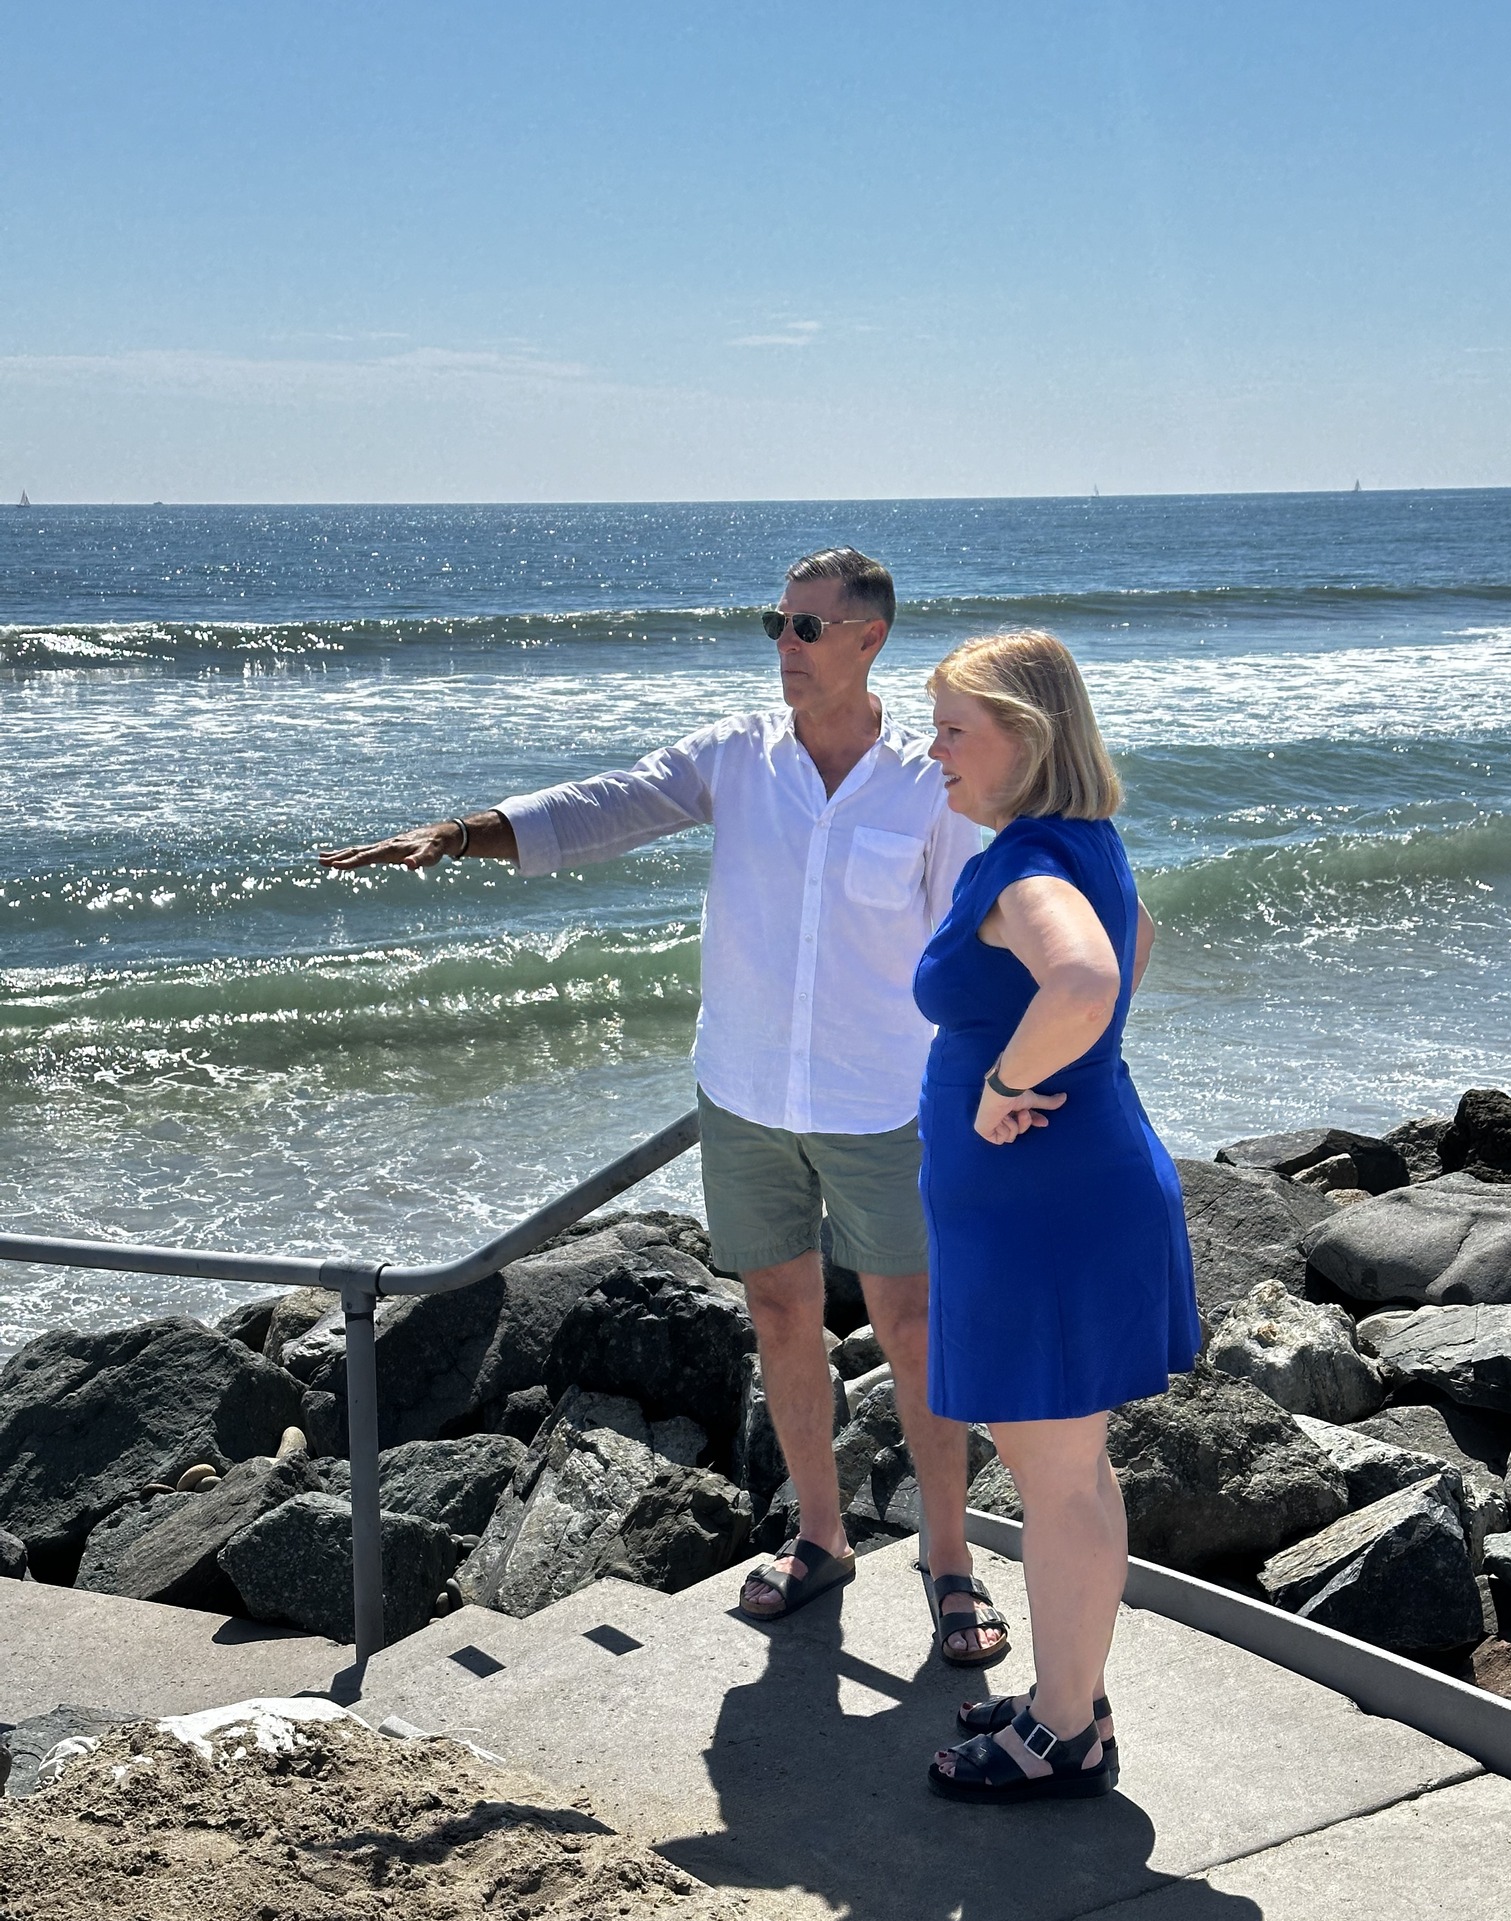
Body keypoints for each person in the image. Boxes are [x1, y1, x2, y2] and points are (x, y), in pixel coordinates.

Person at [319, 548, 1011, 1663]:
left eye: (805, 628)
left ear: (869, 638)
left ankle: (949, 1560)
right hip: (742, 1094)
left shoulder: (931, 783)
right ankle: (822, 1538)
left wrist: (1011, 1080)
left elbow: (973, 938)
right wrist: (462, 832)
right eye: (774, 624)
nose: (783, 645)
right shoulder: (739, 755)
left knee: (916, 1332)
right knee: (780, 1316)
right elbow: (611, 804)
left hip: (883, 1102)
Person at [913, 630, 1199, 1804]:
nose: (932, 751)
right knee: (1072, 1470)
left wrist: (1001, 1085)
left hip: (1044, 1213)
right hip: (1069, 1193)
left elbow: (1085, 978)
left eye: (952, 730)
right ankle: (1066, 1693)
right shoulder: (1086, 843)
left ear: (1024, 742)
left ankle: (1067, 1726)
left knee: (1058, 1476)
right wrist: (1063, 1069)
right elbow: (1136, 948)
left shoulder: (1027, 859)